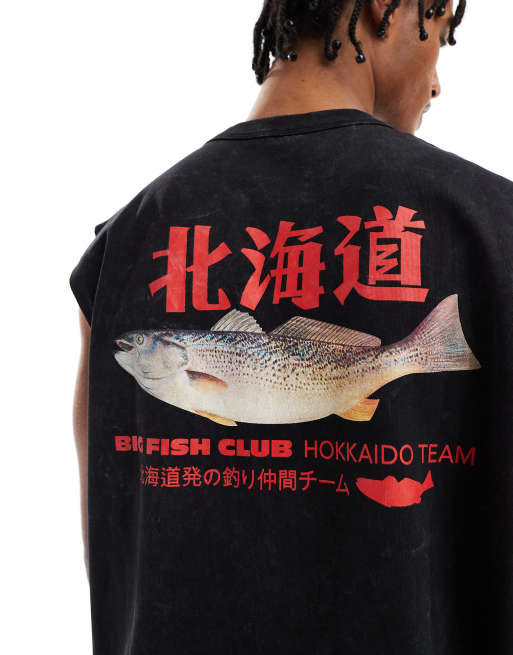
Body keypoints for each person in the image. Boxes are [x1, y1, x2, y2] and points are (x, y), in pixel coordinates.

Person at [70, 1, 513, 653]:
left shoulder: (123, 244)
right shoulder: (496, 226)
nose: (438, 80)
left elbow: (112, 550)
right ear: (383, 6)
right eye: (440, 35)